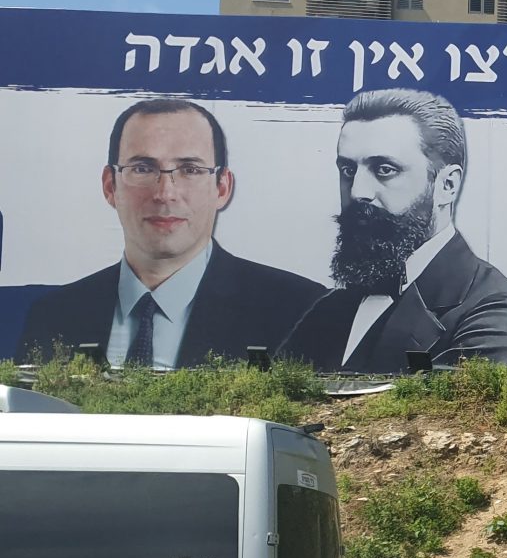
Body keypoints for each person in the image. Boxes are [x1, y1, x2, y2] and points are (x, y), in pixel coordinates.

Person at [16, 98, 325, 368]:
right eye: (143, 168)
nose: (165, 193)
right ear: (111, 186)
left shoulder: (297, 311)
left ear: (222, 187)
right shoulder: (53, 315)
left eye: (190, 169)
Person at [279, 88, 507, 373]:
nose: (358, 192)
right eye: (348, 170)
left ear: (447, 185)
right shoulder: (329, 310)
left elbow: (452, 416)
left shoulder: (497, 315)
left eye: (384, 169)